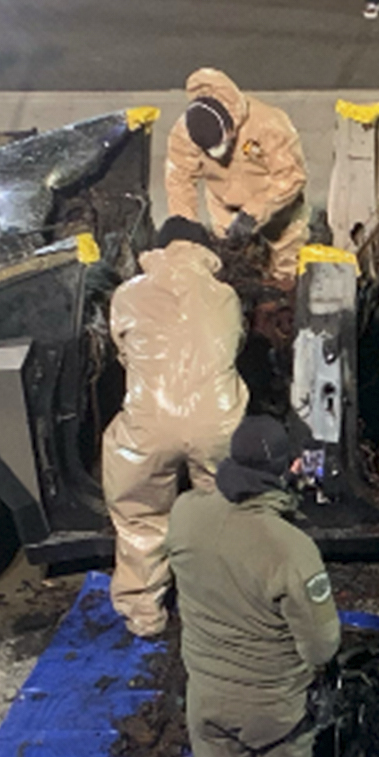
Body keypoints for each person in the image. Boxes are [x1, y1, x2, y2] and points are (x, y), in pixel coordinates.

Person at [166, 415, 343, 757]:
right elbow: (321, 646)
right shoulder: (289, 549)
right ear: (289, 469)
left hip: (208, 698)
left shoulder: (186, 515)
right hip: (275, 707)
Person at [96, 222, 248, 638]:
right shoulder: (225, 295)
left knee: (140, 516)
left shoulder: (127, 294)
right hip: (216, 423)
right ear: (203, 250)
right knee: (222, 514)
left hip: (150, 423)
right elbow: (233, 346)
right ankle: (224, 609)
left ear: (157, 249)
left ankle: (145, 615)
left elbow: (124, 355)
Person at [166, 68, 308, 283]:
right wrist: (187, 232)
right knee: (230, 267)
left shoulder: (268, 124)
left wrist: (254, 212)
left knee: (287, 262)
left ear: (231, 126)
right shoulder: (185, 134)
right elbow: (179, 181)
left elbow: (291, 176)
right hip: (224, 204)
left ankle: (283, 290)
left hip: (277, 204)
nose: (217, 155)